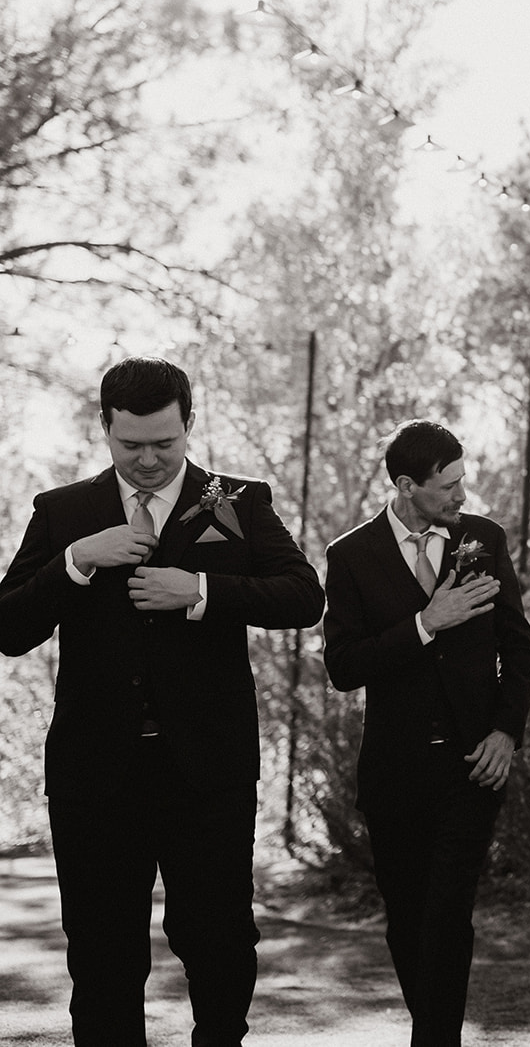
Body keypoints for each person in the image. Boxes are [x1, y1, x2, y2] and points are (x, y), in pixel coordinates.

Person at [0, 356, 324, 1046]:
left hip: (208, 773)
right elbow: (9, 627)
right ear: (104, 427)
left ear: (189, 425)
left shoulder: (238, 501)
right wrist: (77, 561)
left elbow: (304, 595)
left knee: (219, 944)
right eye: (131, 444)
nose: (148, 460)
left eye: (165, 443)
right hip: (94, 777)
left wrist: (202, 591)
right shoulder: (63, 513)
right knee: (102, 956)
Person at [322, 420, 530, 1047]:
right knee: (406, 917)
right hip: (394, 772)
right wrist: (426, 622)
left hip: (473, 766)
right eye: (448, 486)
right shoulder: (351, 555)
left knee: (448, 912)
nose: (461, 496)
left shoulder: (485, 539)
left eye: (463, 480)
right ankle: (433, 1028)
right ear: (406, 485)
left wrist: (506, 733)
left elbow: (518, 652)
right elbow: (343, 667)